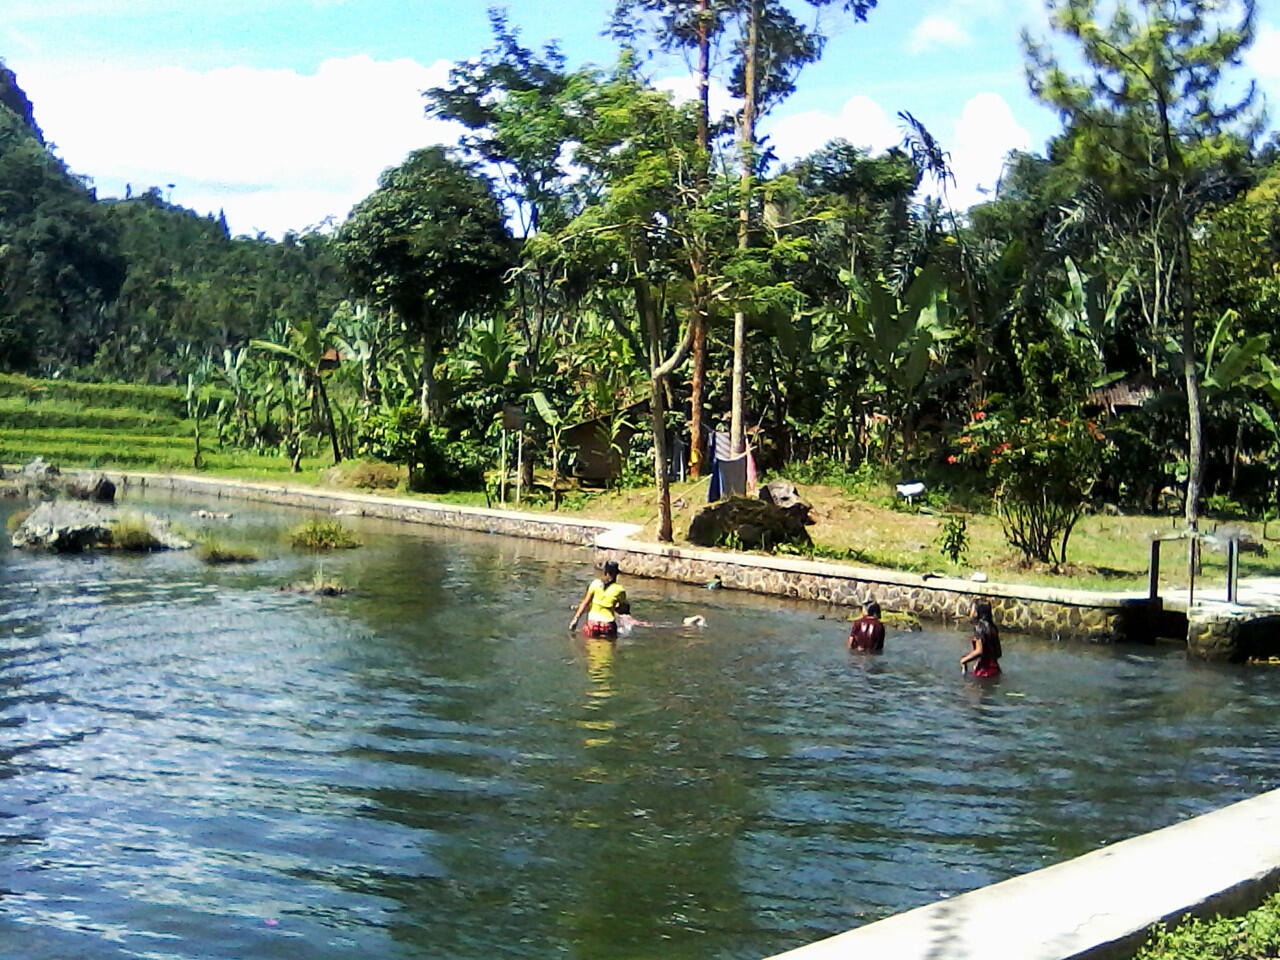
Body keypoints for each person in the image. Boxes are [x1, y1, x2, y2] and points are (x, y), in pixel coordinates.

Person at [569, 560, 627, 639]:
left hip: (592, 623)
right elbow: (623, 608)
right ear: (617, 574)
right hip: (607, 624)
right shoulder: (619, 590)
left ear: (605, 571)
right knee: (610, 647)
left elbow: (585, 603)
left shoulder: (595, 583)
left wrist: (575, 619)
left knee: (590, 647)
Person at [961, 598, 1002, 677]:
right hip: (995, 670)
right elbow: (998, 653)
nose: (970, 612)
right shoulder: (993, 628)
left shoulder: (979, 629)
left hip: (983, 672)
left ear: (977, 612)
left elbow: (979, 651)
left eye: (972, 609)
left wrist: (964, 660)